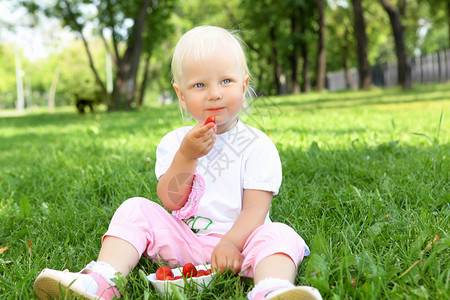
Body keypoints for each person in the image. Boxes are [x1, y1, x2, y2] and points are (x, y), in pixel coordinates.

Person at [33, 25, 322, 300]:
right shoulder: (175, 143)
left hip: (242, 245)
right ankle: (103, 280)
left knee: (279, 234)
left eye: (226, 81)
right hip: (185, 240)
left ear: (244, 85)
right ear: (181, 96)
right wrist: (187, 156)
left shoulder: (258, 145)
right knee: (135, 208)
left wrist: (231, 243)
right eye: (199, 84)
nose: (214, 93)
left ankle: (270, 288)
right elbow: (170, 201)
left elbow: (256, 209)